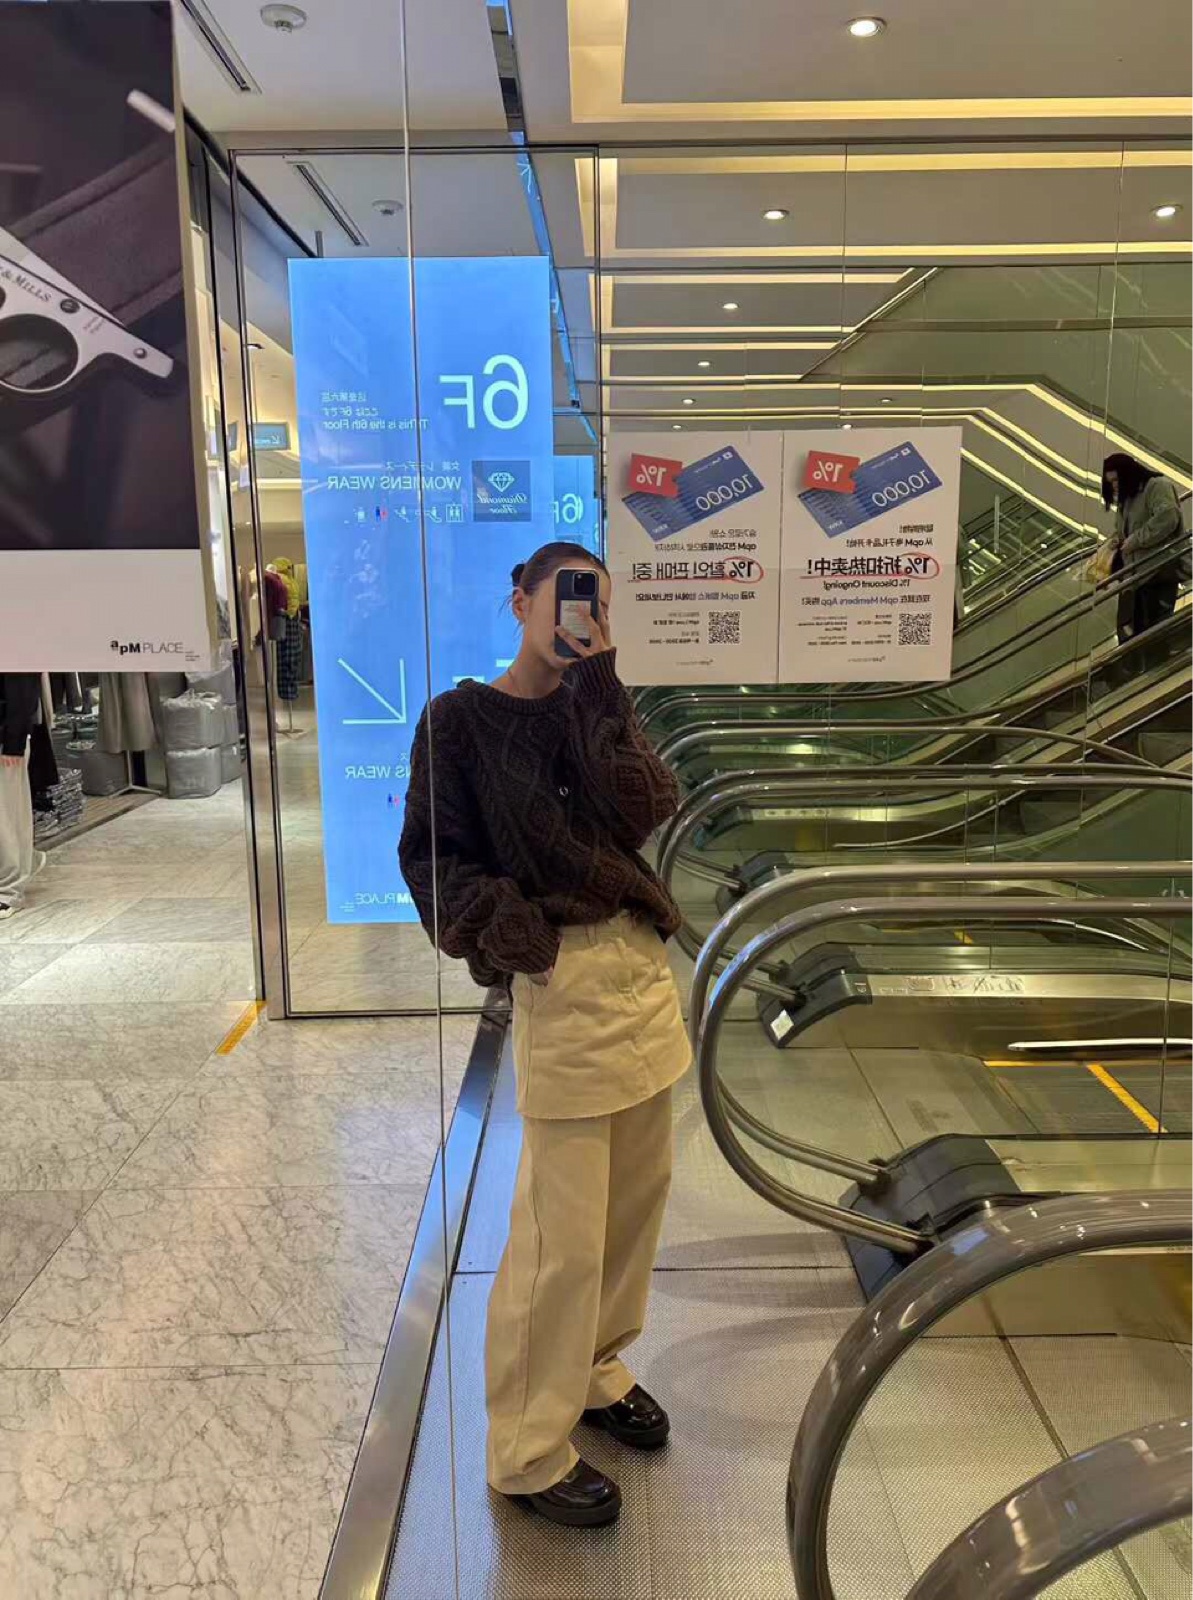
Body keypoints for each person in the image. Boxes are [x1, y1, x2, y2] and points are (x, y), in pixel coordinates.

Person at [399, 540, 690, 1529]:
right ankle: (525, 1446)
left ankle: (597, 1368)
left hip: (638, 969)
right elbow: (433, 861)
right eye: (566, 597)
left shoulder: (593, 705)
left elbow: (647, 808)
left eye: (597, 605)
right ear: (520, 598)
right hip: (560, 978)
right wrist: (517, 937)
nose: (579, 617)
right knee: (558, 1234)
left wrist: (601, 689)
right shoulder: (457, 723)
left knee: (635, 1205)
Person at [1102, 453, 1188, 645]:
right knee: (1129, 635)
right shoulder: (1127, 498)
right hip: (1133, 577)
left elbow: (1168, 518)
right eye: (1110, 482)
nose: (1114, 486)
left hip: (1157, 572)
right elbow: (1124, 529)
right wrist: (1116, 541)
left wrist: (1136, 540)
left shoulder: (1157, 486)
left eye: (1116, 480)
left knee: (1153, 634)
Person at [0, 674, 44, 920]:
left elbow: (23, 686)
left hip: (5, 740)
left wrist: (13, 741)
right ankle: (26, 861)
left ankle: (8, 892)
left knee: (5, 816)